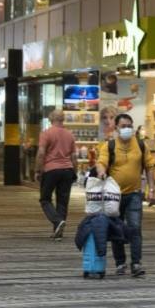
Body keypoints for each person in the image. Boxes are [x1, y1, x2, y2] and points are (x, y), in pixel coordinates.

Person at [100, 117, 149, 277]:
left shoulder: (141, 145)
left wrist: (153, 188)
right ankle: (120, 263)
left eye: (129, 126)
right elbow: (102, 162)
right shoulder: (110, 145)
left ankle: (136, 263)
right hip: (114, 196)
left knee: (135, 228)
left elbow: (150, 166)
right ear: (116, 128)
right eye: (123, 126)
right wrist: (101, 170)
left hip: (134, 193)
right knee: (116, 229)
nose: (127, 129)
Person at [76, 164, 123, 279]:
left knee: (92, 237)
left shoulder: (88, 220)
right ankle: (102, 266)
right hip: (107, 218)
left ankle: (90, 267)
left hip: (94, 218)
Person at [37, 107, 77, 238]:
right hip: (67, 170)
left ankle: (57, 221)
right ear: (63, 119)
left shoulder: (46, 133)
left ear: (51, 119)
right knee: (62, 201)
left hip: (51, 170)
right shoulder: (70, 135)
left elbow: (41, 153)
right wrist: (74, 172)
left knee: (45, 199)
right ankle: (58, 232)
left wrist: (38, 170)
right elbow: (74, 157)